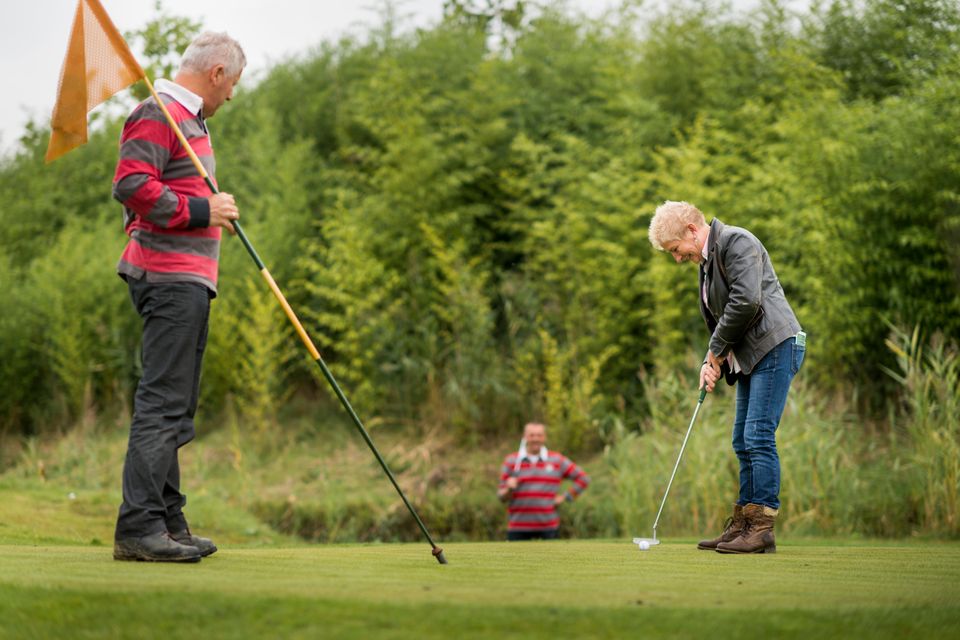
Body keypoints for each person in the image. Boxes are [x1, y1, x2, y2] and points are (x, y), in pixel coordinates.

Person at [111, 32, 246, 562]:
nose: (231, 94)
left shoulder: (190, 122)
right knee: (163, 404)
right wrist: (200, 212)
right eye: (232, 83)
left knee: (177, 407)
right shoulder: (158, 112)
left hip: (188, 280)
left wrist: (209, 207)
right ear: (216, 74)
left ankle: (168, 520)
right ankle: (138, 528)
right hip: (166, 278)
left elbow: (164, 187)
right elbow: (131, 183)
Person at [648, 201, 805, 554]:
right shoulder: (707, 263)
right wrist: (713, 359)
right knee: (741, 439)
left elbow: (746, 301)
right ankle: (743, 524)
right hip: (750, 354)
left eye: (676, 250)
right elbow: (723, 319)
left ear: (691, 230)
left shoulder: (737, 242)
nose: (676, 258)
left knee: (757, 435)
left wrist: (715, 350)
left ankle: (761, 528)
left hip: (776, 345)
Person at [497, 422, 590, 540]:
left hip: (548, 526)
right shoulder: (511, 461)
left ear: (544, 437)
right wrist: (508, 488)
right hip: (517, 527)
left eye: (539, 435)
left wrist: (565, 497)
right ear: (525, 437)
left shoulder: (557, 460)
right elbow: (501, 497)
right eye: (532, 435)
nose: (535, 438)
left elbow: (583, 478)